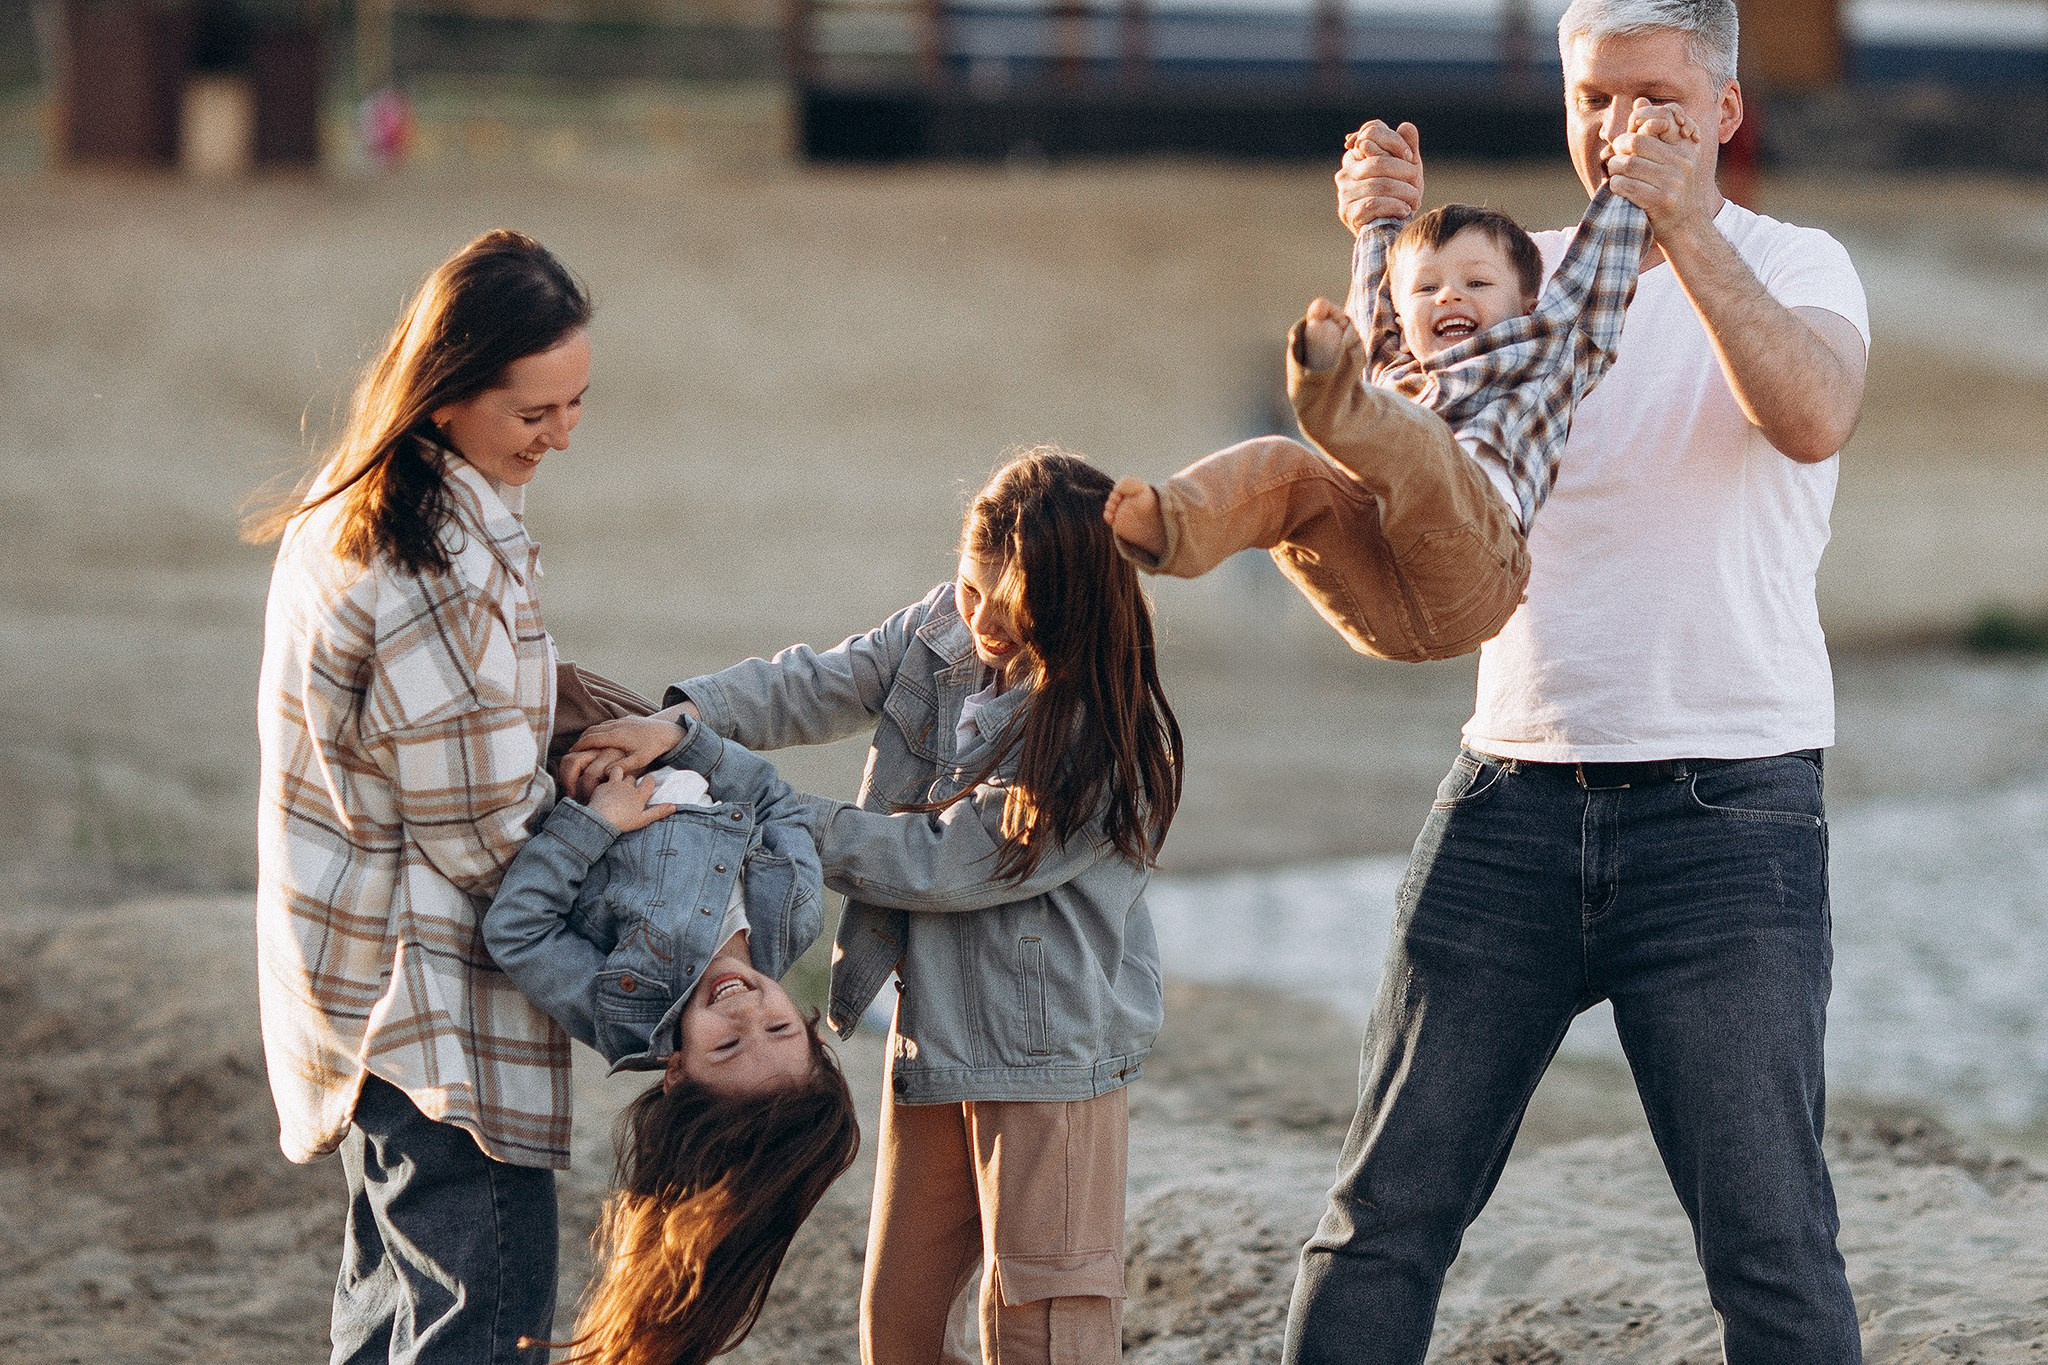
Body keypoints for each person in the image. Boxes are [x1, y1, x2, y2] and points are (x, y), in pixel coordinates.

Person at [1279, 2, 1872, 1362]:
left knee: (1773, 1242)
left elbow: (1813, 413)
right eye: (1592, 97)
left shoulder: (1798, 262)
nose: (1615, 127)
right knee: (1382, 1214)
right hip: (1508, 799)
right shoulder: (1505, 271)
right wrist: (1374, 240)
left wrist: (1689, 233)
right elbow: (1394, 455)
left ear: (1722, 111)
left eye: (1652, 97)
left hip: (1733, 818)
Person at [565, 447, 1185, 1365]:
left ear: (1070, 608)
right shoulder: (942, 629)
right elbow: (813, 682)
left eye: (1006, 612)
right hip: (932, 1036)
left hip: (1050, 1068)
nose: (977, 621)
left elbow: (933, 862)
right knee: (895, 1329)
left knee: (1045, 1333)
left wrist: (757, 801)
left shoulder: (1099, 740)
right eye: (970, 590)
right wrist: (682, 724)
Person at [250, 228, 595, 1363]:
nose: (558, 436)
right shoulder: (430, 555)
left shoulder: (356, 503)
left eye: (575, 405)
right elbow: (480, 834)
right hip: (434, 1014)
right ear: (446, 395)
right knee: (477, 1331)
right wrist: (605, 822)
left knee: (387, 1313)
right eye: (531, 413)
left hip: (360, 993)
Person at [1104, 115, 1668, 663]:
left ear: (1526, 303)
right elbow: (1378, 280)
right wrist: (1380, 198)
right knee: (1284, 467)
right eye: (1427, 288)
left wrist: (1639, 162)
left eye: (1476, 282)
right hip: (1373, 581)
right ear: (1403, 311)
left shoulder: (1548, 348)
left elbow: (1600, 267)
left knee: (1418, 445)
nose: (1449, 297)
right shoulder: (1392, 368)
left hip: (1474, 566)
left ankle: (1324, 386)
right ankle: (1170, 524)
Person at [481, 714, 861, 1365]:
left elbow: (518, 928)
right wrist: (682, 742)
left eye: (727, 1048)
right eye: (777, 1026)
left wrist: (596, 821)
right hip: (653, 732)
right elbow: (772, 797)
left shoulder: (624, 1008)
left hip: (567, 754)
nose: (744, 1011)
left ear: (679, 1073)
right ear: (806, 1022)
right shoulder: (792, 912)